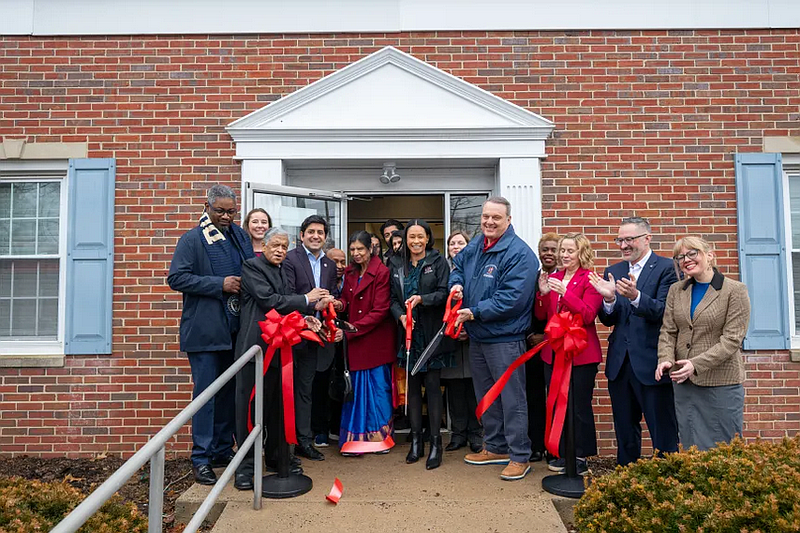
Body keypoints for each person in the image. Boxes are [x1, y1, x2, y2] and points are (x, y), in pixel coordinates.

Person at [167, 184, 255, 486]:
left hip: (234, 329)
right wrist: (219, 284)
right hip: (205, 331)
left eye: (232, 211)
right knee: (206, 396)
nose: (227, 216)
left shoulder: (240, 237)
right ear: (207, 207)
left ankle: (221, 450)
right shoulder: (192, 239)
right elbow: (176, 278)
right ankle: (201, 458)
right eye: (220, 211)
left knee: (230, 394)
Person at [232, 227, 330, 491]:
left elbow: (285, 307)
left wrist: (304, 318)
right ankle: (245, 469)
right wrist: (306, 300)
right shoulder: (251, 266)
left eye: (284, 247)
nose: (280, 251)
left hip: (280, 350)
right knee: (249, 412)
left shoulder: (282, 271)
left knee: (278, 406)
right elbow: (269, 300)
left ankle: (277, 458)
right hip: (254, 351)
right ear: (263, 245)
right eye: (275, 245)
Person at [450, 196, 538, 481]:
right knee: (487, 397)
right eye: (486, 216)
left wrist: (474, 312)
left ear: (508, 220)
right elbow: (458, 267)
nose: (489, 222)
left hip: (505, 339)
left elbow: (511, 299)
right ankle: (496, 447)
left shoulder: (520, 254)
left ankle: (519, 455)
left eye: (496, 218)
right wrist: (457, 285)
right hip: (479, 337)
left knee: (512, 399)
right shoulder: (477, 244)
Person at [589, 217, 679, 466]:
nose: (623, 245)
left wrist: (636, 296)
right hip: (620, 364)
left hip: (652, 362)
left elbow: (664, 312)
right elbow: (610, 320)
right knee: (625, 431)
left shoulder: (666, 268)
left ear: (647, 238)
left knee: (663, 430)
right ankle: (627, 481)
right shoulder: (614, 270)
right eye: (620, 240)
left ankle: (667, 483)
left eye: (630, 239)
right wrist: (608, 301)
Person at [656, 236, 751, 451]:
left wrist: (695, 364)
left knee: (723, 448)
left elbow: (732, 340)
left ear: (709, 255)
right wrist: (665, 359)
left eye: (692, 253)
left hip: (721, 382)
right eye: (680, 257)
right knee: (691, 446)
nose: (686, 260)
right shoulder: (676, 290)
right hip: (684, 383)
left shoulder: (734, 290)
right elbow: (668, 331)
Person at [535, 233, 602, 476]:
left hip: (581, 355)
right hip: (554, 352)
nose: (564, 255)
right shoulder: (553, 278)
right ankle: (562, 452)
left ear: (581, 253)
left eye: (569, 251)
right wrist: (543, 294)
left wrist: (566, 293)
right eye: (562, 250)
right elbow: (543, 316)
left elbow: (587, 315)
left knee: (578, 405)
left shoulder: (590, 279)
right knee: (557, 402)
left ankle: (580, 455)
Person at [389, 220, 454, 470]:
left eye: (420, 236)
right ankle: (416, 442)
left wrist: (422, 299)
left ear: (428, 238)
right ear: (405, 239)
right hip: (408, 336)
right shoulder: (395, 264)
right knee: (413, 389)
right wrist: (400, 315)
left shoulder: (438, 262)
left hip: (432, 334)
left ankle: (435, 443)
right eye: (411, 237)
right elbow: (392, 299)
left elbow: (443, 293)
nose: (415, 241)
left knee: (432, 387)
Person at [334, 231, 397, 450]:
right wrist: (339, 305)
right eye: (352, 250)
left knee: (377, 389)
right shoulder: (350, 272)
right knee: (356, 390)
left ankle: (379, 439)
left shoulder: (382, 272)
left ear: (371, 249)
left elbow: (381, 310)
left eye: (360, 249)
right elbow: (346, 299)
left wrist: (354, 328)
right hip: (356, 338)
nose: (356, 253)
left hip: (375, 339)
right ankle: (356, 439)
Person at [283, 215, 338, 461]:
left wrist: (330, 302)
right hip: (290, 334)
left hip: (315, 337)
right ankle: (284, 444)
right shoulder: (290, 259)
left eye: (320, 232)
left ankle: (304, 441)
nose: (316, 236)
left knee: (305, 390)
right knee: (285, 390)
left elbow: (333, 294)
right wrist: (310, 299)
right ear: (302, 235)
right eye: (311, 232)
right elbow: (285, 296)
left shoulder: (328, 264)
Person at [441, 230, 483, 454]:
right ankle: (458, 434)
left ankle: (476, 434)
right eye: (452, 244)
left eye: (460, 243)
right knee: (455, 388)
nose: (456, 247)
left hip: (474, 334)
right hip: (451, 338)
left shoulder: (476, 269)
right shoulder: (443, 271)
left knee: (474, 389)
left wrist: (467, 326)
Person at [525, 232, 559, 463]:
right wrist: (530, 335)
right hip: (532, 348)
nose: (548, 253)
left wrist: (546, 336)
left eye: (553, 249)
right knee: (534, 397)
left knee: (557, 399)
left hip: (558, 346)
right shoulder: (532, 277)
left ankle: (555, 448)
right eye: (545, 249)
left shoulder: (565, 279)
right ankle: (536, 445)